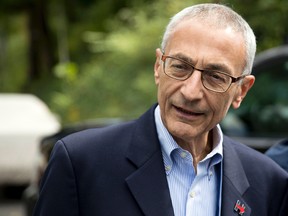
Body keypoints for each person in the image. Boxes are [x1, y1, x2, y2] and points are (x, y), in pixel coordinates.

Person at [33, 3, 288, 216]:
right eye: (180, 66)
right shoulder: (81, 163)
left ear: (241, 90)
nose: (190, 92)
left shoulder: (268, 182)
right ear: (158, 67)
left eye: (215, 77)